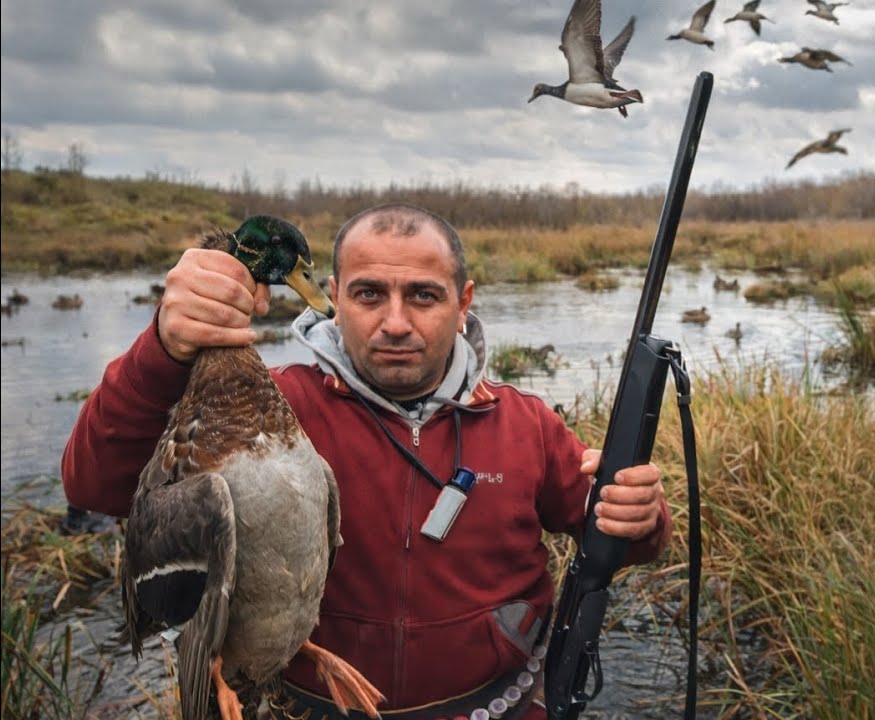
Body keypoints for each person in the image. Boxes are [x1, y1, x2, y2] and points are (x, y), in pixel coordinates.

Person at [61, 204, 672, 719]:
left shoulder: (524, 423)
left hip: (501, 705)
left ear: (463, 303)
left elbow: (620, 539)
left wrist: (639, 517)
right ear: (334, 297)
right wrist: (166, 349)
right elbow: (98, 484)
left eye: (424, 296)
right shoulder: (271, 410)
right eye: (370, 294)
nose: (396, 323)